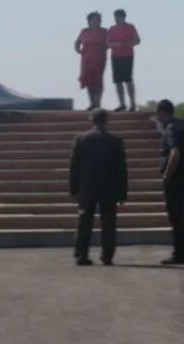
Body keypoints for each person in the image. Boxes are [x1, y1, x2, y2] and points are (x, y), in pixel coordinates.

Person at [69, 109, 128, 266]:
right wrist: (122, 192)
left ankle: (82, 254)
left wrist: (73, 188)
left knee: (84, 222)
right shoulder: (115, 140)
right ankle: (107, 255)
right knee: (108, 223)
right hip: (109, 188)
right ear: (106, 121)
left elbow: (74, 166)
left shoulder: (81, 139)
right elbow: (121, 169)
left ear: (92, 120)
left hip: (87, 187)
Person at [156, 99, 184, 264]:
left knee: (175, 215)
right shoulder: (178, 126)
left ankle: (179, 254)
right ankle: (180, 252)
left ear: (163, 113)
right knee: (179, 216)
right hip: (181, 175)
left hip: (175, 177)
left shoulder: (171, 128)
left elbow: (174, 153)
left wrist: (167, 175)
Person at [106, 9, 140, 111]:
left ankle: (132, 103)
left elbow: (137, 40)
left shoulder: (130, 27)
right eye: (115, 17)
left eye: (118, 17)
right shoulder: (112, 29)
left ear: (123, 17)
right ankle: (122, 104)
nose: (116, 19)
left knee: (128, 80)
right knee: (118, 81)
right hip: (115, 56)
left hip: (127, 56)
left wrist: (127, 43)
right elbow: (107, 43)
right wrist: (115, 44)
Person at [74, 12, 108, 110]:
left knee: (98, 80)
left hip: (99, 58)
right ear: (89, 21)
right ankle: (92, 102)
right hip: (87, 58)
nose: (96, 22)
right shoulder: (84, 31)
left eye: (98, 20)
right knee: (88, 81)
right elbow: (77, 42)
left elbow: (108, 43)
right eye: (93, 20)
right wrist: (78, 50)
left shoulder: (104, 31)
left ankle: (98, 103)